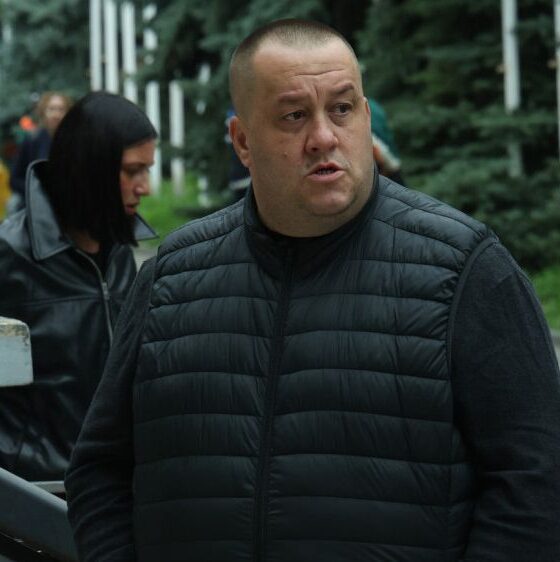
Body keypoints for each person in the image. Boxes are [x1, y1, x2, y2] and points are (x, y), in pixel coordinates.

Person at [65, 20, 560, 562]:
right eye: (294, 116)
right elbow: (101, 471)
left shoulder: (465, 268)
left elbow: (535, 480)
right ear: (242, 141)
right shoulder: (171, 278)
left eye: (342, 109)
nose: (324, 136)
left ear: (366, 117)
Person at [0, 91, 157, 482]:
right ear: (91, 169)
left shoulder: (121, 255)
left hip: (114, 489)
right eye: (133, 171)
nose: (145, 187)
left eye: (148, 170)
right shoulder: (9, 254)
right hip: (34, 493)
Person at [8, 91, 72, 213]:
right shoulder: (33, 140)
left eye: (61, 109)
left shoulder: (75, 140)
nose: (56, 114)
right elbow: (15, 179)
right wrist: (36, 192)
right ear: (43, 112)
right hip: (35, 207)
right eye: (51, 109)